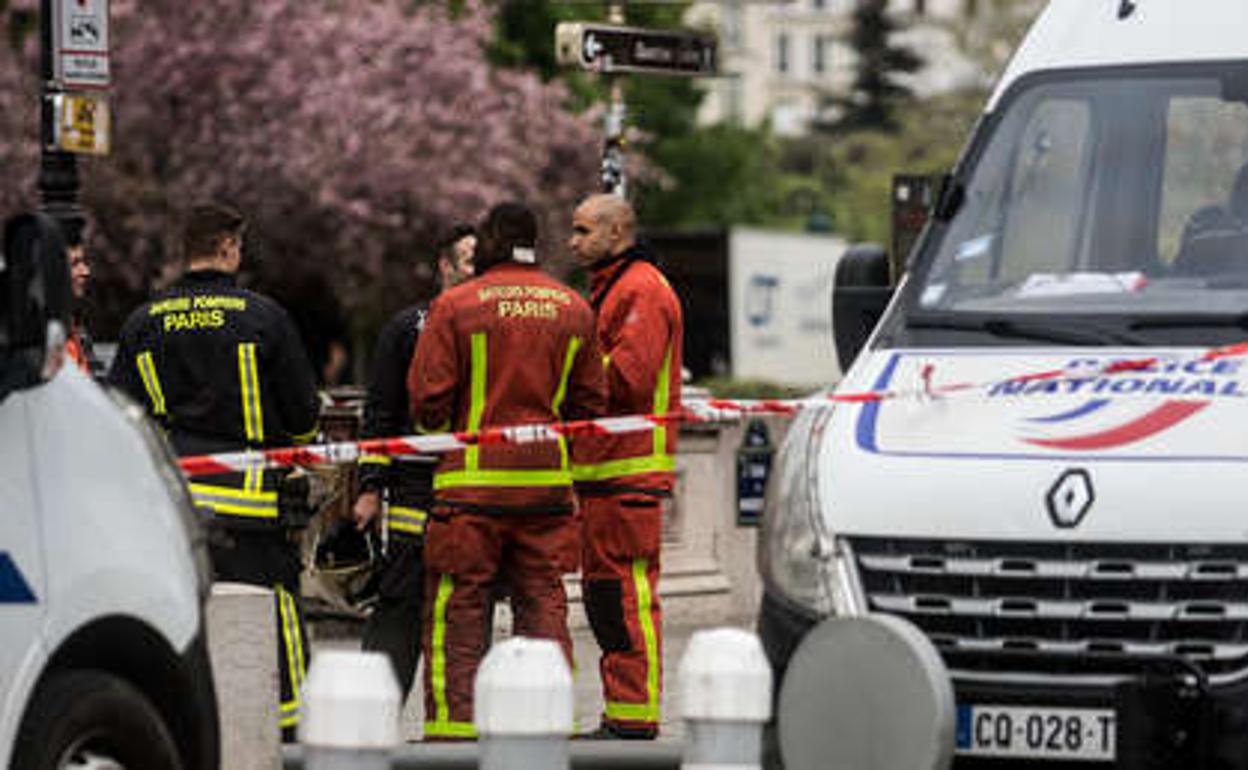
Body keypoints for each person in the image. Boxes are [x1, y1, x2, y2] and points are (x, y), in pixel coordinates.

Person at [107, 203, 321, 741]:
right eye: (238, 245)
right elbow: (302, 414)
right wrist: (297, 455)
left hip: (175, 506)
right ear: (227, 247)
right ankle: (289, 734)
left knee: (185, 619)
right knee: (276, 612)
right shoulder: (263, 317)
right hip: (252, 508)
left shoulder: (142, 322)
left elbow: (122, 415)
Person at [408, 202, 605, 739]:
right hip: (545, 493)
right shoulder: (573, 308)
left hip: (468, 492)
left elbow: (427, 404)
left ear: (491, 239)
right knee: (543, 607)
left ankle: (454, 731)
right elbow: (591, 405)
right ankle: (549, 724)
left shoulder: (455, 306)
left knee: (458, 611)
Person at [568, 193, 684, 740]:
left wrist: (561, 369)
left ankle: (635, 717)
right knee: (609, 601)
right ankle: (623, 712)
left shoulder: (641, 290)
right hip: (606, 473)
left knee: (628, 600)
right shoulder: (616, 287)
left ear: (616, 233)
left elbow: (626, 380)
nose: (572, 242)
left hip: (627, 471)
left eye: (583, 230)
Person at [352, 223, 476, 697]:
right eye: (469, 260)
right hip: (414, 490)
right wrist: (370, 487)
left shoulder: (493, 322)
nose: (478, 270)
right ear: (445, 266)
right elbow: (380, 411)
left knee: (465, 608)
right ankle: (373, 708)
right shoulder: (408, 327)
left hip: (474, 489)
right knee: (401, 602)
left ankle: (455, 715)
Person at [63, 222, 100, 376]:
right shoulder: (38, 337)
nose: (86, 271)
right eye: (75, 264)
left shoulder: (78, 331)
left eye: (84, 262)